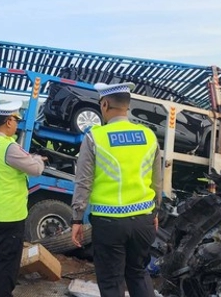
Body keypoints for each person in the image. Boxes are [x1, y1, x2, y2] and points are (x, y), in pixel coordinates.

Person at [71, 82, 162, 297]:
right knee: (138, 274)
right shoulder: (149, 136)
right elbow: (157, 182)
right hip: (142, 220)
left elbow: (83, 181)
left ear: (104, 104)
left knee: (112, 282)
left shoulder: (95, 137)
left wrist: (76, 218)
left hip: (109, 223)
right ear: (127, 106)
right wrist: (155, 212)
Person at [0, 101, 45, 297]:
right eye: (16, 120)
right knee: (7, 261)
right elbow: (36, 170)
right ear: (8, 121)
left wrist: (27, 156)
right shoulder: (9, 146)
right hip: (9, 213)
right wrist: (38, 159)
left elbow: (7, 160)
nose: (17, 124)